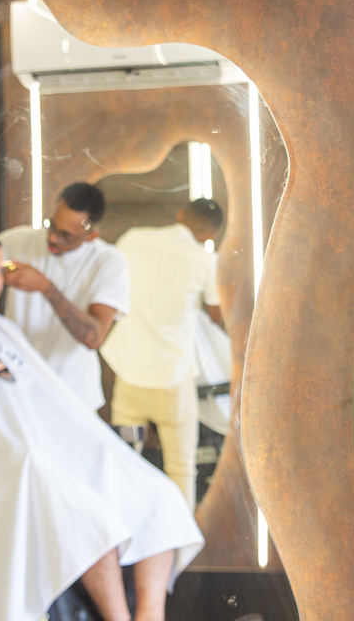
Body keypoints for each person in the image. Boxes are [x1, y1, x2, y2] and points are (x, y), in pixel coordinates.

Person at [0, 231, 203, 621]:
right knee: (88, 518)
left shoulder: (3, 329)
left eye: (0, 270)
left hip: (49, 451)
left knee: (158, 496)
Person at [0, 183, 129, 410]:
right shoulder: (18, 241)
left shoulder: (109, 262)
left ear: (91, 236)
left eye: (66, 236)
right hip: (16, 388)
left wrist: (46, 288)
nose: (53, 238)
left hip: (71, 394)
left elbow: (94, 338)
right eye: (51, 226)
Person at [100, 199, 225, 510]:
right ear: (210, 235)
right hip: (173, 386)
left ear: (180, 215)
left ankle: (125, 529)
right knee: (181, 470)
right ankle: (180, 540)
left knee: (125, 461)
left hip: (129, 379)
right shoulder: (205, 260)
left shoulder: (133, 239)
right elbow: (216, 314)